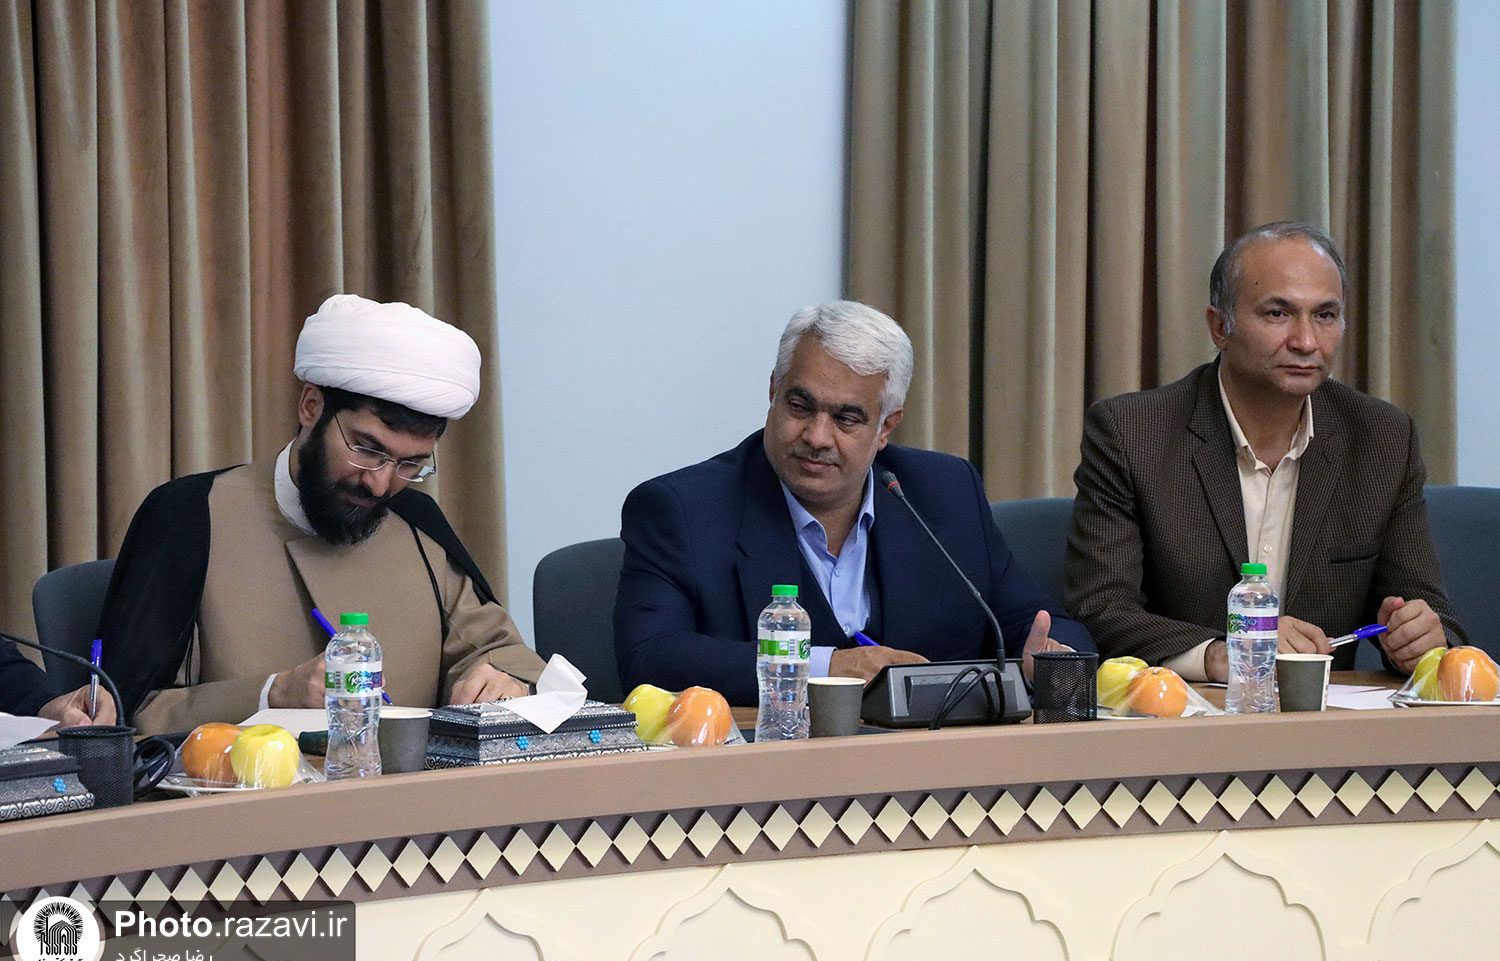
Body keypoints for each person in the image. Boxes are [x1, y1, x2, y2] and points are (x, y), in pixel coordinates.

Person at [92, 294, 544, 735]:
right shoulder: (190, 516)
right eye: (366, 449)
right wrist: (273, 694)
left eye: (410, 464)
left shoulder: (416, 521)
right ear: (311, 407)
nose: (380, 484)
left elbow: (497, 651)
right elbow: (124, 714)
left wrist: (502, 679)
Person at [614, 300, 1094, 705]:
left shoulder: (944, 493)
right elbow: (650, 657)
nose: (817, 437)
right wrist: (828, 668)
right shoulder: (681, 509)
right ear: (773, 391)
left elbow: (1043, 627)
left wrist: (1053, 664)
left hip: (934, 772)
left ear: (886, 427)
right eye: (799, 406)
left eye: (846, 419)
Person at [1065, 222, 1465, 680]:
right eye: (1278, 314)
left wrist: (1422, 641)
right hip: (1186, 710)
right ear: (1220, 327)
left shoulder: (1382, 439)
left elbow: (1430, 613)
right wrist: (1225, 654)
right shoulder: (1132, 433)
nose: (1306, 342)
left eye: (1325, 315)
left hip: (1323, 718)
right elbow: (1100, 609)